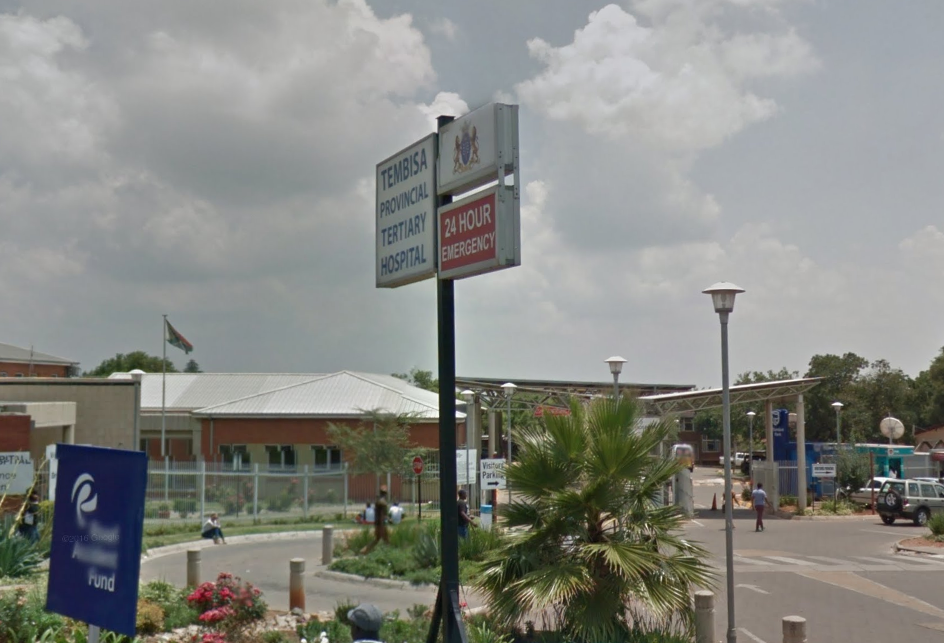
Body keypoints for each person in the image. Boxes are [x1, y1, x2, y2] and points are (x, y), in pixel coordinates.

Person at [360, 487, 389, 554]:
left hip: (377, 523)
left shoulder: (378, 501)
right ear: (386, 494)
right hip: (381, 524)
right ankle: (388, 553)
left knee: (378, 539)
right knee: (386, 540)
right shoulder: (383, 503)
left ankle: (364, 550)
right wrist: (382, 526)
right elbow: (382, 515)